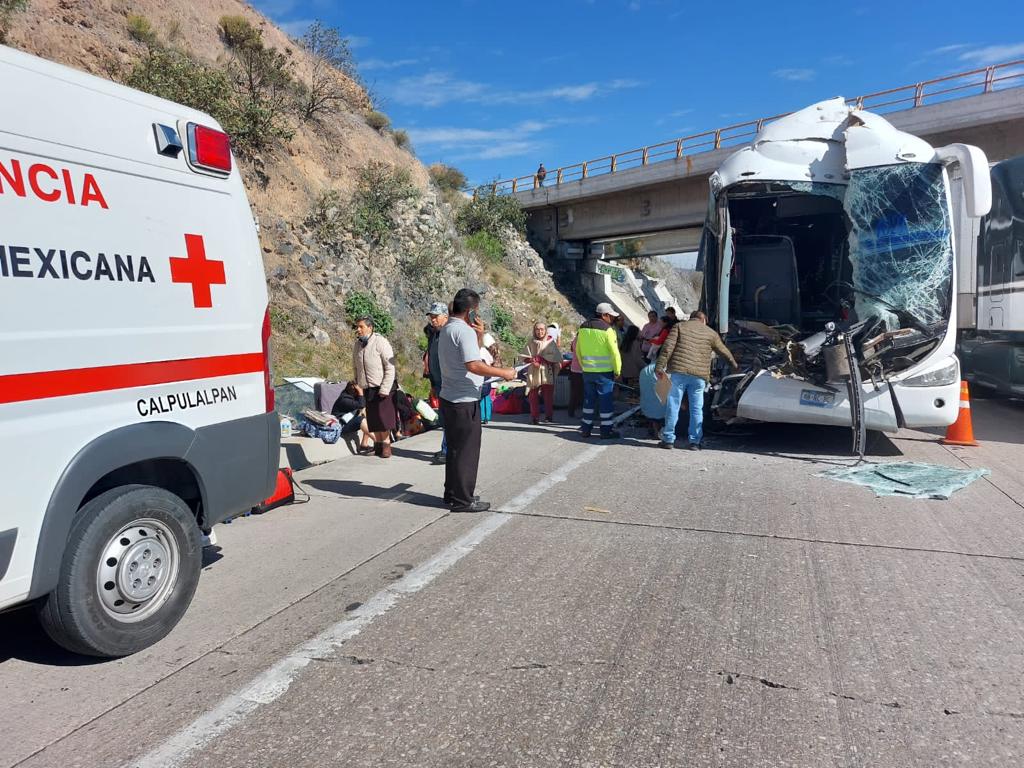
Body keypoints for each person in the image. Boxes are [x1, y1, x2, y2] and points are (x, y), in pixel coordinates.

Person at [438, 288, 516, 512]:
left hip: (450, 397)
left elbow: (469, 354)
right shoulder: (463, 332)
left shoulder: (448, 328)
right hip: (464, 399)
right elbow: (473, 364)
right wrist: (503, 373)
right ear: (471, 311)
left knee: (454, 449)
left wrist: (479, 335)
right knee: (467, 451)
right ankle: (464, 499)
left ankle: (452, 492)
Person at [656, 310, 739, 451]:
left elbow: (667, 347)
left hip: (679, 372)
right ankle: (695, 442)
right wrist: (735, 365)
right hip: (699, 376)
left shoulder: (679, 327)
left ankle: (668, 439)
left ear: (691, 318)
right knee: (696, 408)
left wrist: (659, 366)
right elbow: (723, 351)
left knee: (673, 405)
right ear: (704, 320)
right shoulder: (710, 333)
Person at [352, 316, 398, 458]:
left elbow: (390, 366)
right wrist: (358, 383)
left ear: (370, 327)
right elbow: (355, 365)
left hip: (381, 386)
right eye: (357, 327)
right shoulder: (357, 345)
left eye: (361, 327)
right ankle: (378, 445)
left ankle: (386, 444)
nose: (358, 329)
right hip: (367, 386)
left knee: (383, 418)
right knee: (373, 419)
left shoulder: (380, 342)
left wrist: (385, 388)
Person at [576, 302, 622, 439]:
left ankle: (585, 429)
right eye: (611, 316)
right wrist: (618, 370)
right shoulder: (607, 330)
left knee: (589, 401)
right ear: (604, 315)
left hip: (588, 371)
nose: (613, 319)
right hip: (604, 373)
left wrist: (584, 365)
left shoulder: (582, 328)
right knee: (605, 401)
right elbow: (614, 353)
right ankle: (606, 431)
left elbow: (577, 350)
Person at [424, 301, 449, 464]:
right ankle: (445, 448)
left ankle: (448, 450)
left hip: (450, 383)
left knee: (449, 418)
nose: (432, 320)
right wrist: (433, 383)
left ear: (445, 316)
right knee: (445, 418)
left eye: (435, 317)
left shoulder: (449, 333)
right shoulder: (434, 334)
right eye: (431, 317)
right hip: (439, 382)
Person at [523, 321, 562, 425]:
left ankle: (549, 416)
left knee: (548, 395)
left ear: (545, 330)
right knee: (533, 395)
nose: (540, 331)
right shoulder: (531, 342)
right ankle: (534, 417)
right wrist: (532, 361)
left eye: (542, 329)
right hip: (534, 371)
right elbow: (524, 356)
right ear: (534, 330)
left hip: (547, 371)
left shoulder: (550, 342)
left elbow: (556, 357)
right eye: (537, 329)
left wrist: (543, 360)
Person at [331, 380, 374, 453]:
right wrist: (360, 392)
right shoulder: (344, 399)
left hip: (348, 421)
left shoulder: (351, 397)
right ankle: (379, 443)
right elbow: (361, 405)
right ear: (354, 391)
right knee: (361, 420)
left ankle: (364, 444)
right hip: (341, 426)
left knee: (369, 413)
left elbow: (364, 404)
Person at [638, 361, 667, 439]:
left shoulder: (644, 370)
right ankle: (664, 429)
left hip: (646, 410)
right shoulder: (666, 370)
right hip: (664, 413)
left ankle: (655, 429)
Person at [619, 324, 645, 389]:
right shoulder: (635, 343)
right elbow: (637, 358)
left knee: (629, 387)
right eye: (638, 332)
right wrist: (645, 366)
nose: (640, 333)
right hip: (634, 370)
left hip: (625, 370)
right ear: (635, 333)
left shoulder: (624, 341)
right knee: (634, 388)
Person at [480, 333, 497, 424]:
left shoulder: (478, 349)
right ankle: (487, 416)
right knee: (487, 396)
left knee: (480, 397)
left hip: (480, 377)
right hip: (488, 376)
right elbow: (491, 361)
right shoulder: (485, 351)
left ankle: (482, 416)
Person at [567, 331, 584, 418]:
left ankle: (571, 410)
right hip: (580, 369)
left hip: (574, 368)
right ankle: (572, 411)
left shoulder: (575, 340)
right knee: (578, 392)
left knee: (575, 392)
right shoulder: (581, 340)